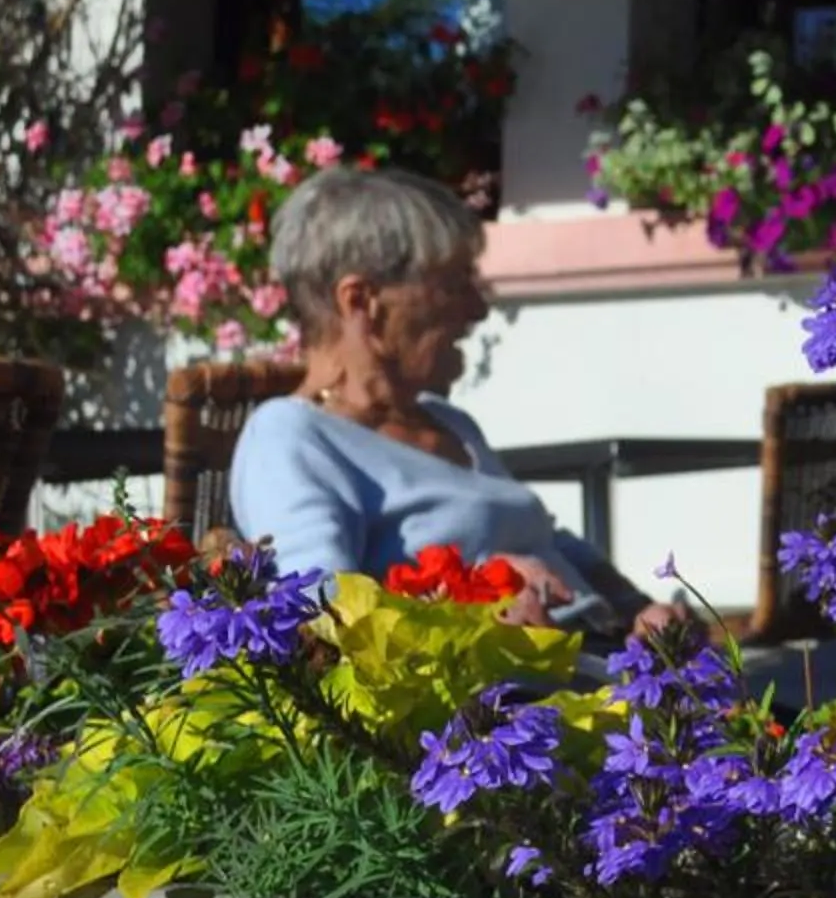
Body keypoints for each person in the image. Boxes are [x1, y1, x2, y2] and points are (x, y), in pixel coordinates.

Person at [231, 166, 679, 640]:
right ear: (361, 301)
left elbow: (545, 541)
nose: (477, 309)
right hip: (501, 685)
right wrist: (475, 593)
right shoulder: (291, 438)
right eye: (452, 285)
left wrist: (641, 611)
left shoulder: (449, 423)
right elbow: (319, 613)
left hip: (600, 657)